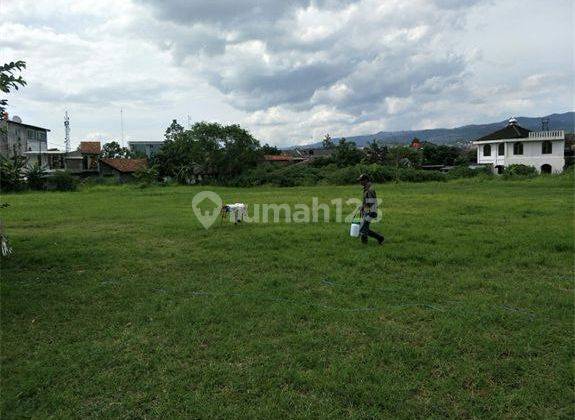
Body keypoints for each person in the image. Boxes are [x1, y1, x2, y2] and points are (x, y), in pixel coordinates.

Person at [358, 174, 384, 245]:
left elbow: (372, 202)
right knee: (364, 228)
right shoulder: (366, 188)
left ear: (366, 180)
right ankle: (378, 238)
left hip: (370, 212)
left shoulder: (370, 190)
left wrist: (365, 208)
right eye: (360, 181)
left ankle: (378, 238)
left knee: (363, 229)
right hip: (367, 211)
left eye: (361, 180)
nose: (360, 182)